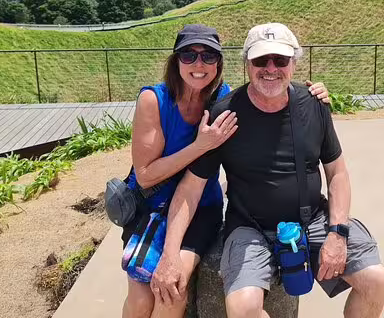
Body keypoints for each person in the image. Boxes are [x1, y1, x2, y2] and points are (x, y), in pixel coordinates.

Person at [153, 23, 384, 318]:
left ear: (294, 63)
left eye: (280, 60)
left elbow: (337, 172)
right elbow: (192, 187)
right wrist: (170, 254)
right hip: (249, 227)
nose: (270, 68)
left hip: (313, 218)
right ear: (247, 64)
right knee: (243, 308)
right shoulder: (225, 114)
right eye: (260, 60)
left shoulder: (313, 104)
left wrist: (337, 233)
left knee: (376, 281)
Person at [123, 24, 330, 318]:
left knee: (171, 291)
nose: (199, 64)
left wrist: (313, 95)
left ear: (219, 63)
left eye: (208, 56)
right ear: (176, 60)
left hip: (199, 207)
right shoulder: (153, 100)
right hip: (152, 207)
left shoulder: (223, 99)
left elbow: (271, 101)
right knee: (141, 298)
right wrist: (200, 146)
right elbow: (144, 175)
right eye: (189, 55)